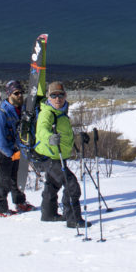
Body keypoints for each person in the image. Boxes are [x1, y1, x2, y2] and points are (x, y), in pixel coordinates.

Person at [31, 81, 86, 228]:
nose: (57, 99)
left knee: (52, 184)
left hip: (57, 155)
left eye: (60, 95)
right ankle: (73, 218)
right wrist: (49, 138)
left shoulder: (62, 112)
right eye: (54, 95)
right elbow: (41, 130)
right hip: (49, 157)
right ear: (49, 97)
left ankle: (48, 214)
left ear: (65, 95)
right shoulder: (47, 113)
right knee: (71, 185)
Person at [0, 80, 34, 217]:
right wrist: (10, 153)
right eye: (16, 93)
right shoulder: (1, 113)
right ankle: (1, 207)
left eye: (21, 92)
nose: (20, 95)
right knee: (4, 181)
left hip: (18, 150)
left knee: (17, 179)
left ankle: (20, 202)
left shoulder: (21, 111)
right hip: (4, 153)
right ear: (9, 94)